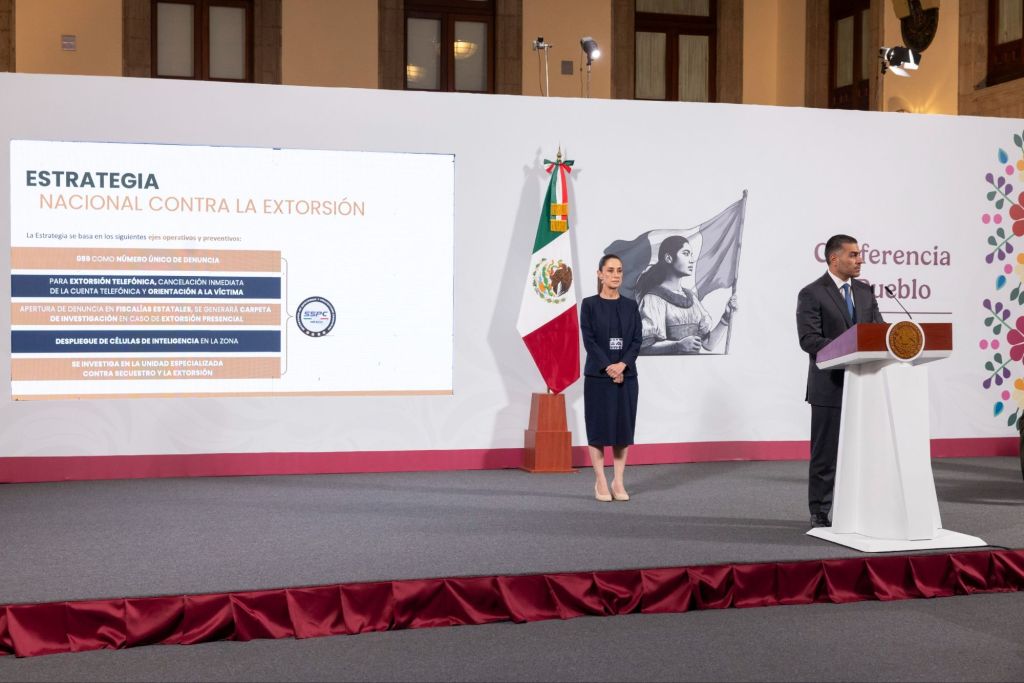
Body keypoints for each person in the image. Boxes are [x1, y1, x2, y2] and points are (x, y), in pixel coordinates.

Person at [796, 234, 884, 528]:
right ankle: (820, 511)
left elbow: (878, 331)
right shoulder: (812, 293)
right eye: (853, 255)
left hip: (864, 384)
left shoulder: (865, 291)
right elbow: (809, 340)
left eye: (860, 254)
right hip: (829, 387)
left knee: (864, 451)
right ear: (834, 258)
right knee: (826, 454)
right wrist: (850, 346)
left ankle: (863, 510)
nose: (860, 260)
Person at [580, 254, 643, 502]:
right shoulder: (589, 305)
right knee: (598, 430)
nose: (615, 275)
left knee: (622, 431)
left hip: (627, 377)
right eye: (610, 270)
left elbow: (637, 340)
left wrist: (622, 365)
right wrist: (609, 367)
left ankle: (618, 481)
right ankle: (600, 481)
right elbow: (589, 341)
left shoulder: (631, 306)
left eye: (619, 270)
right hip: (598, 377)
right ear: (600, 274)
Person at [634, 235, 737, 355]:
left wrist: (726, 317)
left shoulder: (691, 297)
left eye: (691, 255)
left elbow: (708, 344)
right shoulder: (653, 299)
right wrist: (677, 346)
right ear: (668, 258)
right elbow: (644, 347)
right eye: (686, 253)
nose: (692, 260)